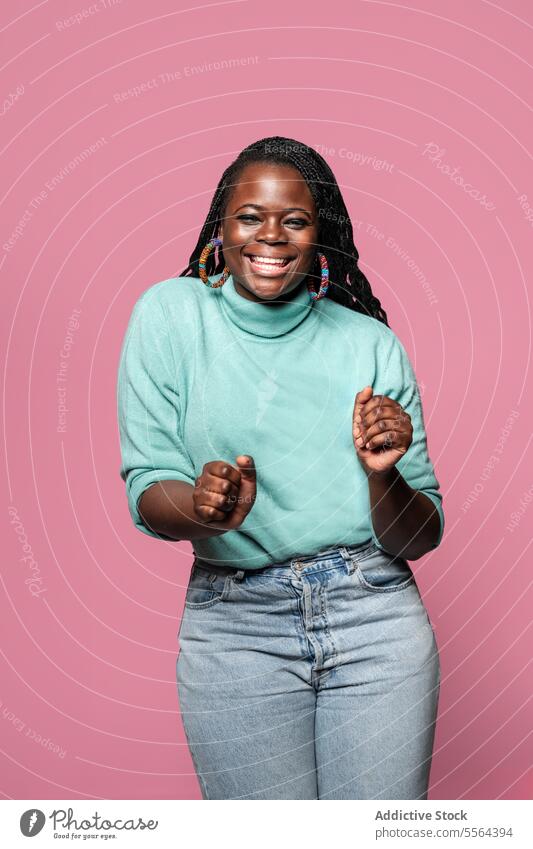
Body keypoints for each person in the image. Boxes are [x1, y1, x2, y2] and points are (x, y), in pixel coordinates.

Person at [117, 136, 444, 800]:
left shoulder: (370, 345)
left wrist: (384, 473)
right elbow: (148, 484)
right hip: (235, 621)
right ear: (221, 225)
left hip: (374, 617)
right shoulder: (169, 316)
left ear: (320, 234)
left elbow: (419, 536)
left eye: (293, 219)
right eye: (248, 217)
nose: (270, 235)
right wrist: (202, 508)